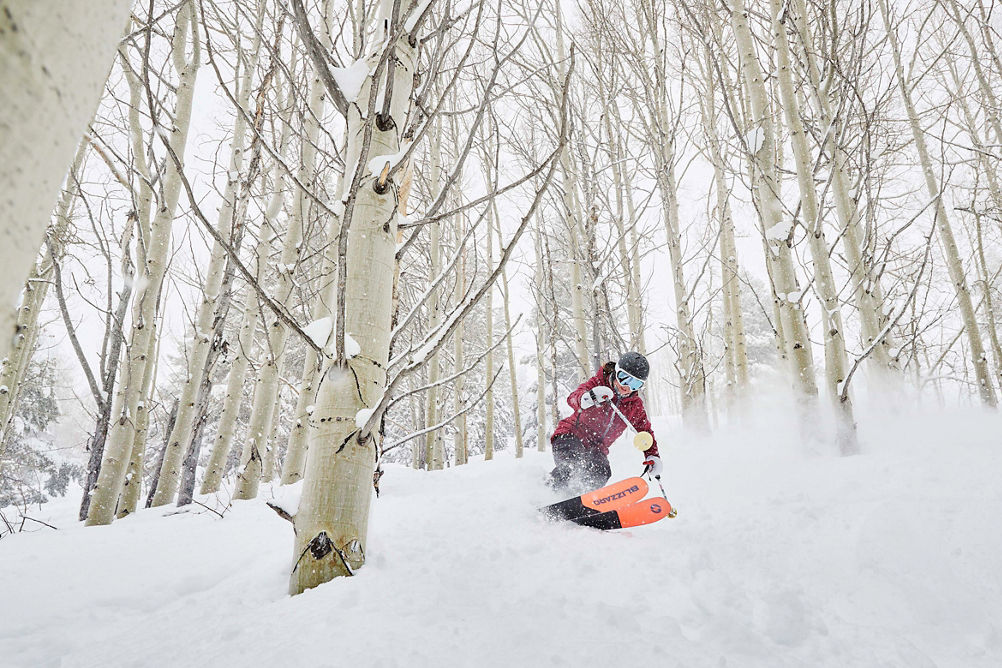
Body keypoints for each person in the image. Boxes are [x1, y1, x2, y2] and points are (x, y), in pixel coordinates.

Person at [547, 351, 661, 493]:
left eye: (635, 384)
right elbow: (573, 398)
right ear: (616, 371)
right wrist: (587, 398)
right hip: (570, 435)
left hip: (597, 448)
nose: (627, 387)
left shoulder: (634, 405)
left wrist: (652, 455)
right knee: (572, 466)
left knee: (601, 472)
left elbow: (645, 432)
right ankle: (547, 493)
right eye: (624, 378)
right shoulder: (598, 383)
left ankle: (579, 501)